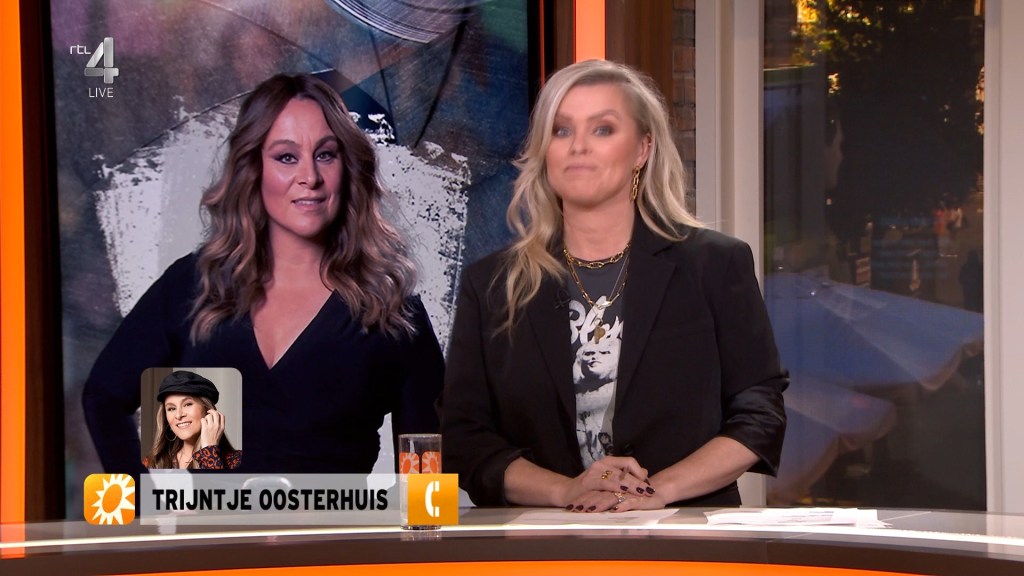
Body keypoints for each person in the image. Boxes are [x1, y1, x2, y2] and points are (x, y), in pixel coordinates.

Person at [440, 60, 787, 512]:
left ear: (642, 149)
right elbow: (463, 437)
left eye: (602, 129)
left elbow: (759, 413)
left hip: (682, 534)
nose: (578, 146)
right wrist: (566, 491)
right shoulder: (491, 284)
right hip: (542, 539)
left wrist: (657, 491)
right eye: (561, 131)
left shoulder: (714, 266)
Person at [83, 73, 445, 477]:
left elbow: (426, 476)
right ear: (253, 167)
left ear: (347, 167)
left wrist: (405, 519)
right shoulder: (195, 284)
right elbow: (104, 397)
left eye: (326, 154)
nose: (310, 176)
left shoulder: (393, 308)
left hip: (340, 520)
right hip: (214, 521)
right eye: (286, 157)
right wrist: (140, 508)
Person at [145, 370, 242, 470]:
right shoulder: (152, 463)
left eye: (188, 404)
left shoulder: (237, 461)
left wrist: (209, 450)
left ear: (208, 410)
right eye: (171, 409)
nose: (178, 415)